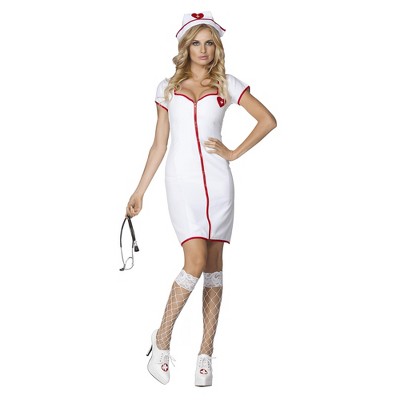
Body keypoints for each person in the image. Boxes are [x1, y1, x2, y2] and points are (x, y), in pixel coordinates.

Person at [125, 11, 277, 387]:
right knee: (193, 262)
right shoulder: (167, 88)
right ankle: (162, 340)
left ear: (217, 47)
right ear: (186, 47)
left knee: (214, 266)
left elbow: (268, 120)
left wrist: (233, 152)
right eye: (196, 43)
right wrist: (139, 190)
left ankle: (205, 354)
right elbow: (159, 144)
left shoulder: (227, 84)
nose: (203, 49)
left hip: (219, 184)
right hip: (182, 183)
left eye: (209, 43)